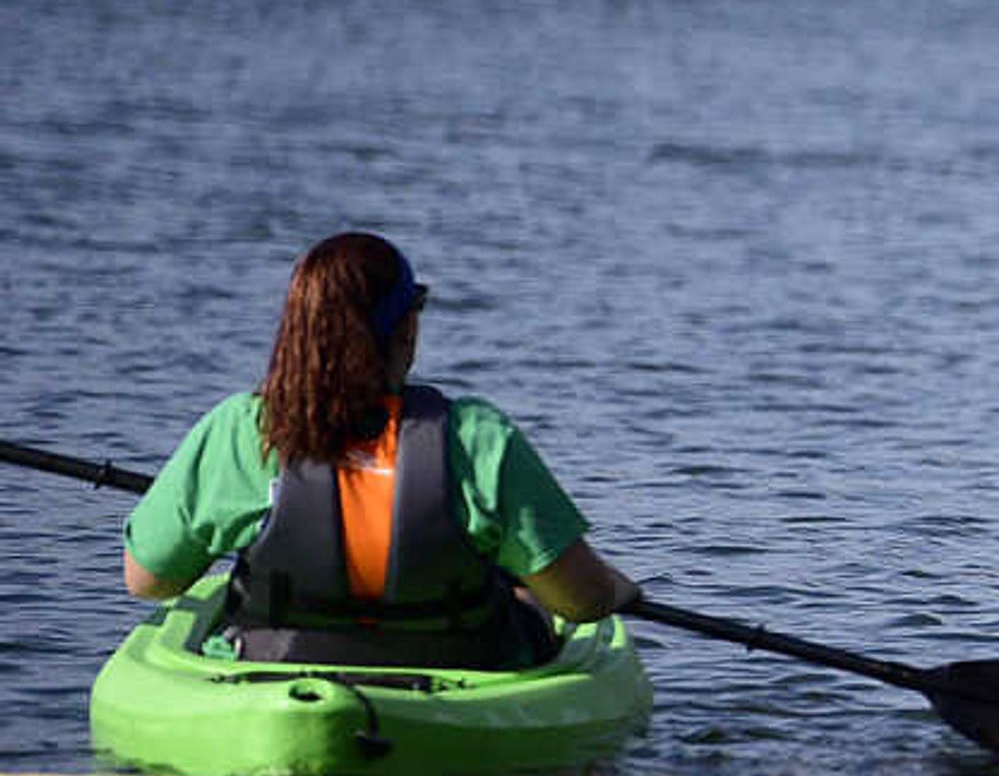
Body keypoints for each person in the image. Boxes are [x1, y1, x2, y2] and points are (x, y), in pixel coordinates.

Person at [122, 232, 634, 665]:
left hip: (274, 669)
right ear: (405, 330)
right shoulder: (478, 438)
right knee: (529, 597)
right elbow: (583, 601)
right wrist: (615, 589)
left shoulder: (241, 429)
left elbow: (148, 580)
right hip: (459, 675)